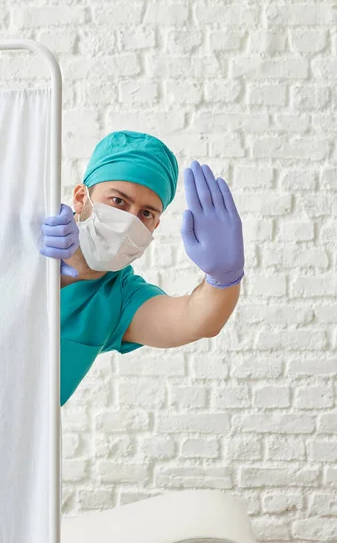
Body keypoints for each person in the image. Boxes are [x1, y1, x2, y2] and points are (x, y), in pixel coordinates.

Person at [40, 131, 244, 406]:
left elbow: (196, 320)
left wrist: (224, 276)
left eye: (146, 213)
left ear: (155, 226)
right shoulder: (25, 235)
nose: (128, 221)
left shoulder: (120, 299)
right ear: (80, 198)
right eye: (118, 201)